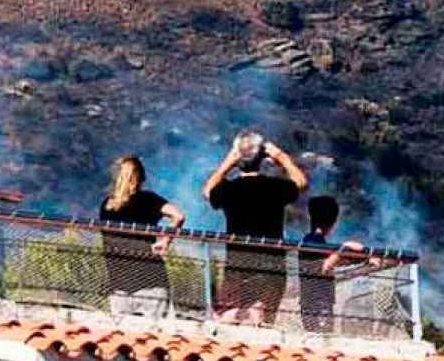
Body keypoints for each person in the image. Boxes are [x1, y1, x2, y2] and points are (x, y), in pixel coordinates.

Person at [202, 130, 308, 322]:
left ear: (238, 159)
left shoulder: (229, 189)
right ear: (262, 158)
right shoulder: (276, 187)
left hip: (237, 263)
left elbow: (208, 190)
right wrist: (281, 157)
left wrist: (228, 162)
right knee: (262, 320)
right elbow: (300, 182)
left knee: (227, 316)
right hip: (271, 264)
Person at [97, 156, 185, 316]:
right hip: (151, 280)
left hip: (119, 284)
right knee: (155, 335)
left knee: (123, 337)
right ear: (141, 178)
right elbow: (178, 216)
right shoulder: (148, 200)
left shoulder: (107, 205)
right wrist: (165, 241)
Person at [296, 195, 373, 333]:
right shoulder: (313, 242)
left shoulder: (311, 240)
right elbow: (324, 267)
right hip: (317, 303)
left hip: (315, 302)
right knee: (321, 339)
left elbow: (333, 261)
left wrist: (364, 259)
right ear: (334, 221)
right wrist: (345, 247)